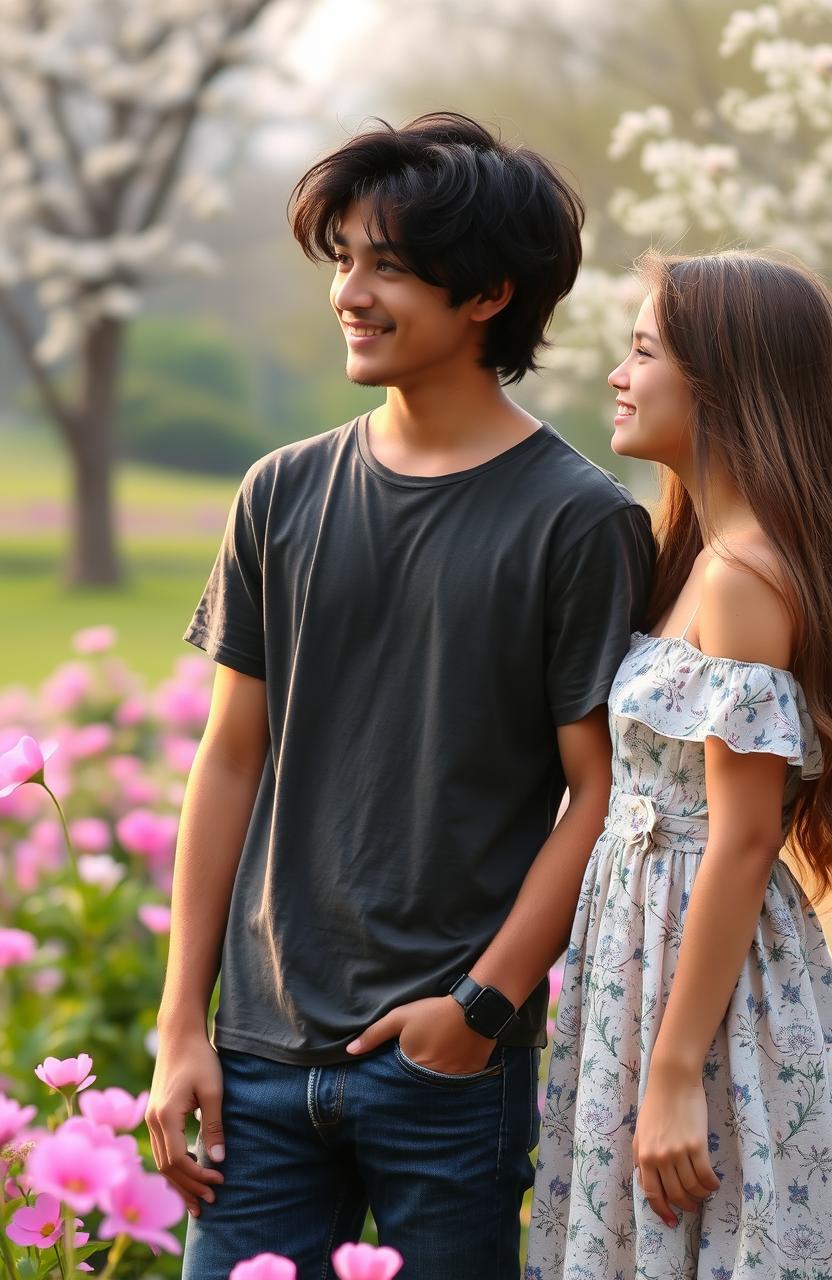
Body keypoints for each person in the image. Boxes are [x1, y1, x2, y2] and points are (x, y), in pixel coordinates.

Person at [145, 112, 654, 1280]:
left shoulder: (578, 522)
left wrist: (478, 1011)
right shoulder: (279, 491)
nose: (351, 293)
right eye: (342, 261)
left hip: (445, 1071)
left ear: (487, 296)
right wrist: (182, 1027)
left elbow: (598, 792)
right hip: (258, 1056)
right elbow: (228, 758)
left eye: (388, 265)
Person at [525, 250, 832, 1280]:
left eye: (643, 349)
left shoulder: (744, 576)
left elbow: (743, 838)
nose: (617, 373)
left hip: (706, 982)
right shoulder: (698, 551)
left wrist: (668, 1069)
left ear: (723, 379)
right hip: (641, 954)